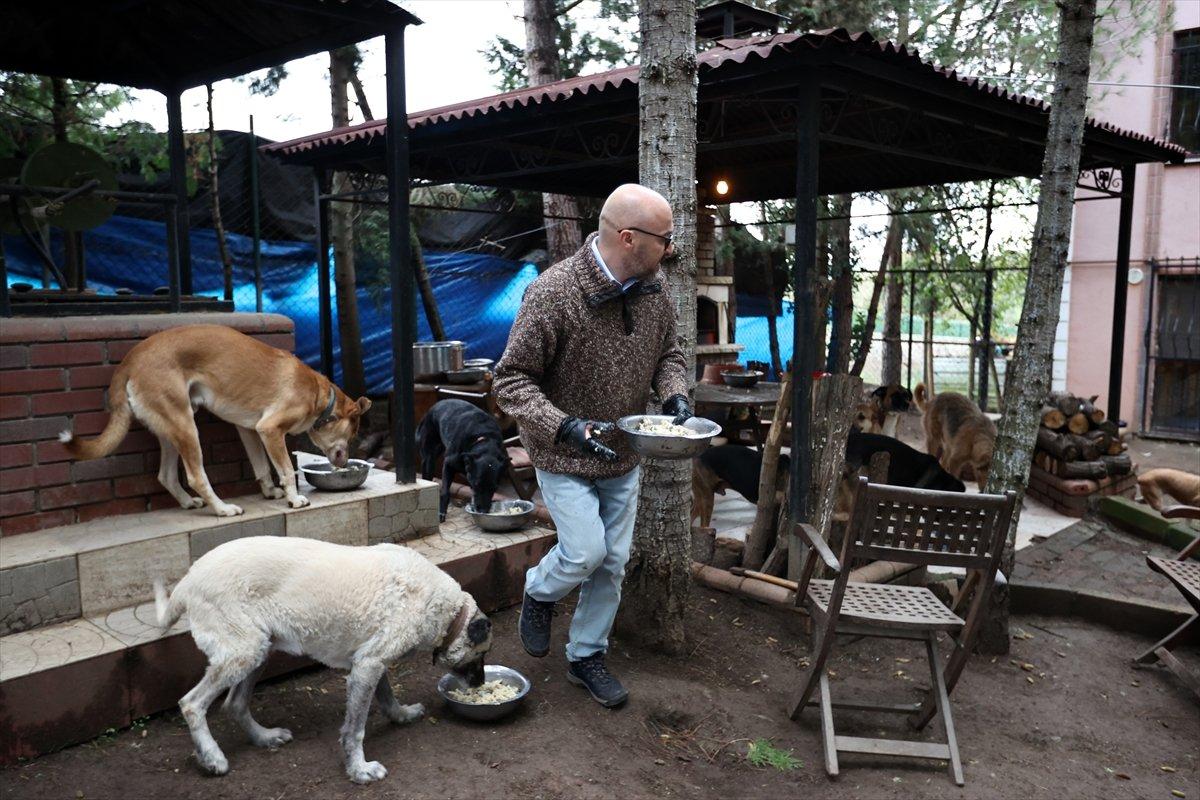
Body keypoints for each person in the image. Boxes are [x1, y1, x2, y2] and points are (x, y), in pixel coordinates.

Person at [492, 183, 691, 707]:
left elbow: (669, 355)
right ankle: (539, 590)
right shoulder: (554, 292)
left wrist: (674, 395)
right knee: (585, 551)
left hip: (624, 452)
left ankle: (586, 656)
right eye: (665, 239)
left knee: (612, 562)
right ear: (629, 238)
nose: (671, 248)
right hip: (563, 451)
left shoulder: (656, 288)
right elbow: (510, 379)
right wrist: (565, 425)